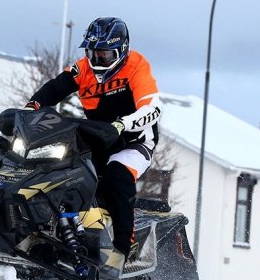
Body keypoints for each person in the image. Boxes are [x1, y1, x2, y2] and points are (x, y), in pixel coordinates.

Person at [24, 17, 161, 267]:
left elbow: (153, 108)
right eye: (93, 53)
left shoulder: (136, 65)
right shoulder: (83, 68)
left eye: (105, 55)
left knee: (117, 175)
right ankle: (48, 230)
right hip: (99, 140)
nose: (98, 60)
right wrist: (30, 108)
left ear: (121, 51)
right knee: (61, 169)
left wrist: (122, 124)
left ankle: (124, 247)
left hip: (135, 142)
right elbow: (54, 88)